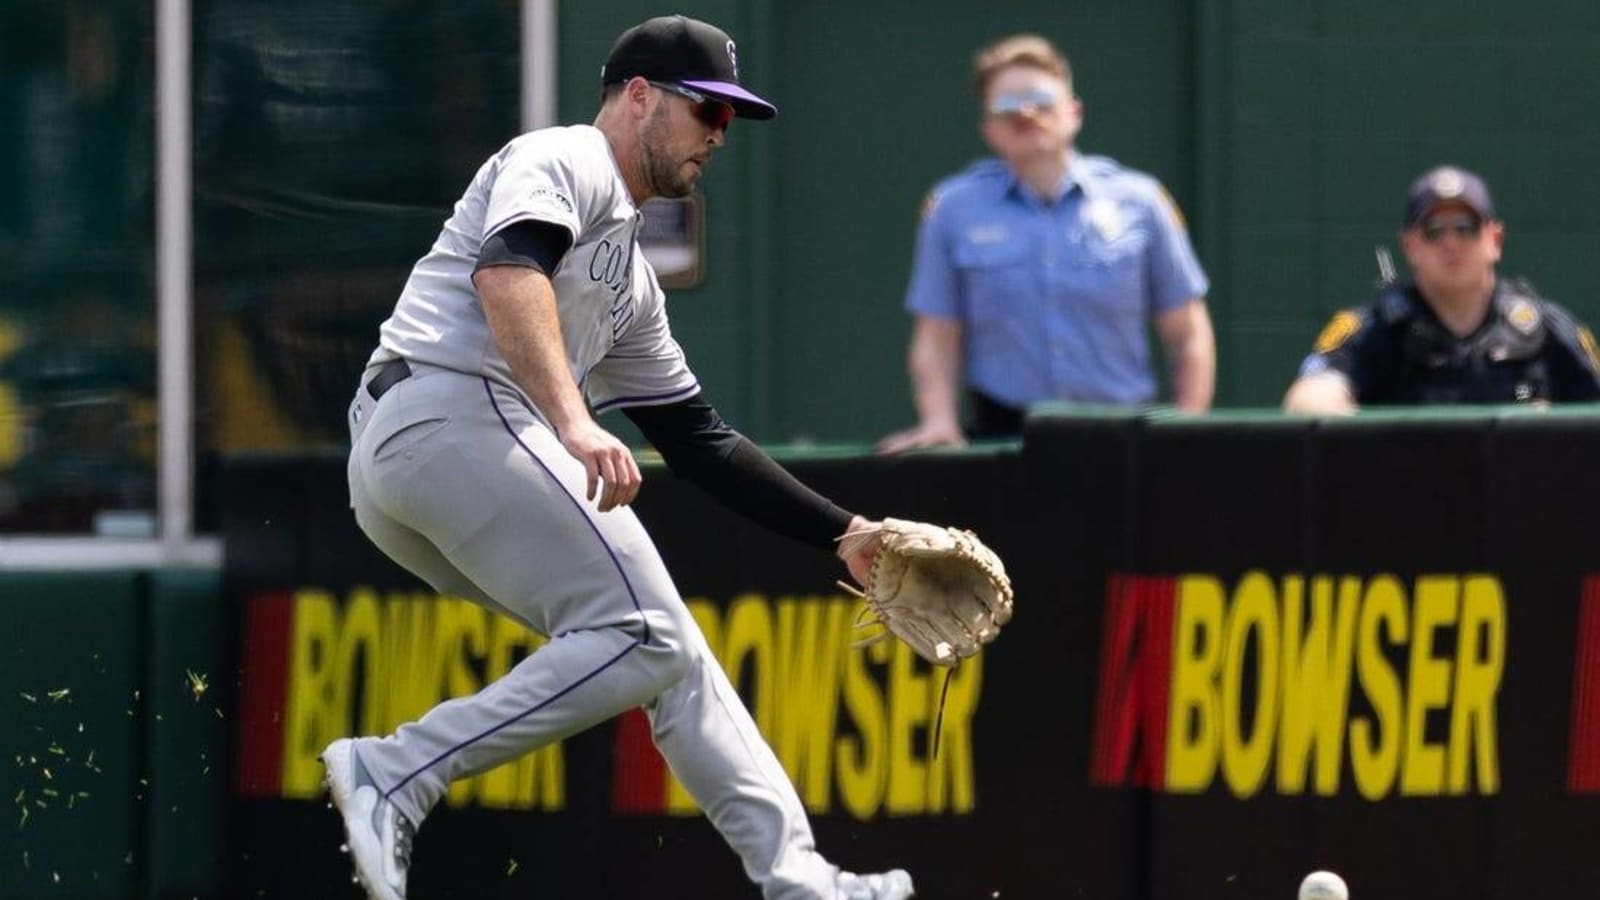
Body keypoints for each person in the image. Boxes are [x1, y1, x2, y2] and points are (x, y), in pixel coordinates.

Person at [321, 15, 915, 900]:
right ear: (638, 96)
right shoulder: (566, 157)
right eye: (705, 108)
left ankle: (801, 882)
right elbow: (507, 271)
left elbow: (700, 441)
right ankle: (398, 771)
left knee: (662, 646)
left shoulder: (631, 282)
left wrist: (846, 534)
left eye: (729, 118)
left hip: (419, 457)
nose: (719, 134)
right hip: (445, 410)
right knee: (645, 629)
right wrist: (574, 420)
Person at [877, 34, 1214, 453]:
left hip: (1126, 437)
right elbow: (937, 333)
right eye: (1006, 106)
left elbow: (1187, 329)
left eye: (1041, 99)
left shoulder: (1143, 202)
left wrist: (1188, 426)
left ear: (1074, 112)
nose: (1026, 113)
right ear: (988, 129)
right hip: (1006, 439)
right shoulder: (951, 209)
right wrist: (938, 420)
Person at [1284, 165, 1600, 413]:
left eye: (1467, 228)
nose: (1451, 243)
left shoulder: (1546, 330)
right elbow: (1308, 397)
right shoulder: (1374, 329)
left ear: (1495, 240)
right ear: (1410, 245)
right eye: (1434, 231)